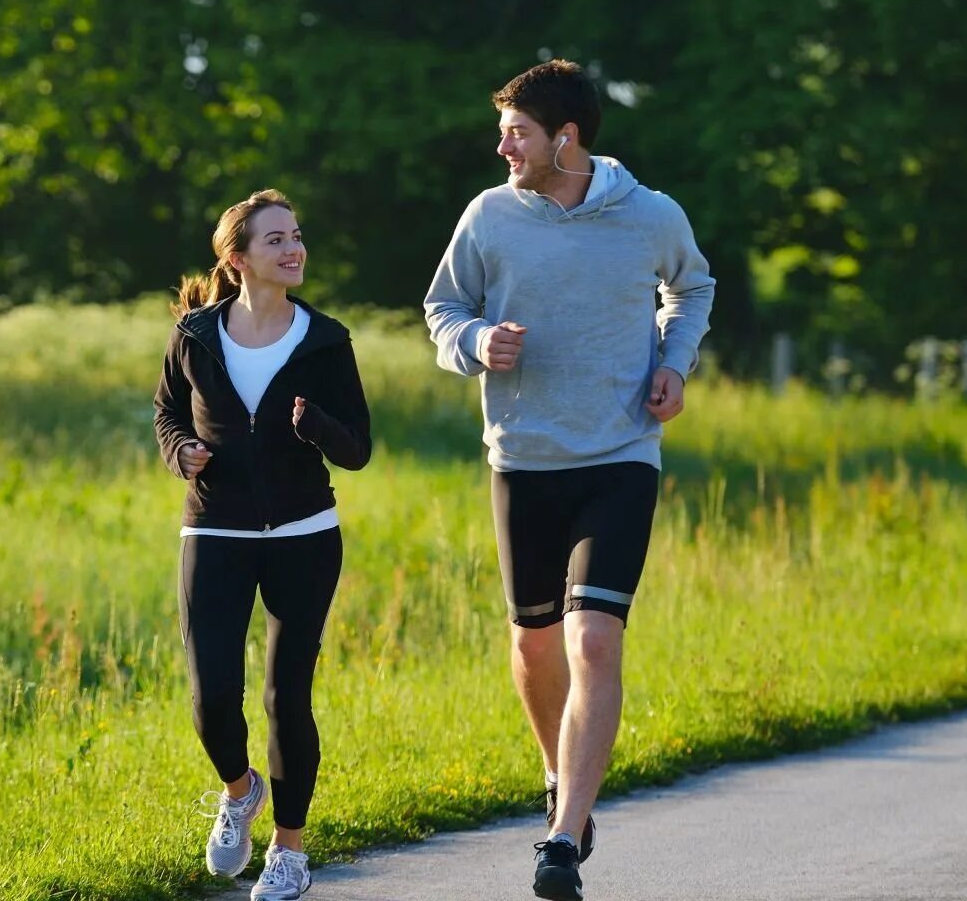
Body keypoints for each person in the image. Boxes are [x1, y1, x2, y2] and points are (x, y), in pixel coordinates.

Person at [424, 61, 714, 901]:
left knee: (594, 639)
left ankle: (561, 838)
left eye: (516, 130)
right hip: (522, 458)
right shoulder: (488, 215)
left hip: (620, 455)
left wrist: (674, 363)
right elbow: (444, 309)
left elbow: (692, 285)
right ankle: (564, 785)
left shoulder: (649, 214)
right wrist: (478, 343)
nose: (502, 144)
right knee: (535, 642)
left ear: (566, 137)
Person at [154, 188, 372, 901]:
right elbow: (166, 412)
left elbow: (359, 450)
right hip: (214, 528)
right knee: (212, 696)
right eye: (276, 239)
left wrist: (318, 431)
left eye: (297, 235)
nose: (294, 248)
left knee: (287, 698)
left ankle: (289, 852)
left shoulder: (326, 340)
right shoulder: (194, 335)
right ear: (238, 258)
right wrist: (179, 448)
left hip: (304, 534)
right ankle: (240, 790)